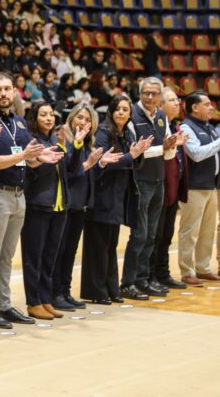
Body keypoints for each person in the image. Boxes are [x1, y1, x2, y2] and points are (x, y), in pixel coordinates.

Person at [0, 72, 61, 329]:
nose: (3, 93)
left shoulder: (20, 123)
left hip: (19, 195)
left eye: (7, 89)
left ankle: (5, 304)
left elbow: (26, 157)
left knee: (8, 255)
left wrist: (38, 158)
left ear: (14, 92)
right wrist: (23, 155)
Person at [81, 96, 152, 304]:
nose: (122, 112)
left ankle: (111, 289)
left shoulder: (124, 134)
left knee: (110, 246)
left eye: (125, 109)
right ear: (111, 111)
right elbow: (107, 161)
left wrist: (137, 155)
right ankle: (96, 291)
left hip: (117, 196)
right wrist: (132, 155)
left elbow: (131, 162)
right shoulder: (103, 132)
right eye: (118, 109)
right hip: (102, 196)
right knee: (98, 246)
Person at [52, 104, 120, 311]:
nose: (82, 122)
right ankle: (55, 293)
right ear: (72, 118)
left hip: (80, 204)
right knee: (60, 251)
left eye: (88, 120)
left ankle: (65, 290)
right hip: (65, 203)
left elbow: (88, 176)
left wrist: (99, 165)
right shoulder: (63, 139)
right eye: (79, 117)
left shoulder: (88, 143)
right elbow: (68, 173)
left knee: (71, 252)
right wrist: (90, 163)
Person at [20, 102, 83, 320]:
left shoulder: (56, 140)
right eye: (43, 114)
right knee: (33, 257)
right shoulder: (32, 142)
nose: (48, 118)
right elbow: (32, 174)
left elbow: (73, 170)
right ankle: (33, 302)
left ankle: (46, 299)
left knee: (50, 256)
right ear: (34, 117)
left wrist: (76, 144)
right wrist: (42, 157)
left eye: (51, 115)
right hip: (38, 205)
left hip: (60, 206)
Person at [120, 77, 179, 299]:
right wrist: (162, 147)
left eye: (154, 93)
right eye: (146, 93)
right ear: (139, 93)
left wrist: (171, 146)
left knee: (152, 234)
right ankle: (128, 282)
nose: (150, 97)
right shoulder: (132, 115)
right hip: (140, 181)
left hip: (158, 180)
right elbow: (137, 152)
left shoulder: (162, 116)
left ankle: (143, 279)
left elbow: (166, 153)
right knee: (139, 234)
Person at [178, 91, 220, 285]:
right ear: (195, 107)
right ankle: (187, 272)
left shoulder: (209, 127)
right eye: (207, 104)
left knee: (207, 231)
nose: (211, 107)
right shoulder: (186, 127)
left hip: (211, 185)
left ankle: (203, 268)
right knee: (190, 230)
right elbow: (195, 154)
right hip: (194, 186)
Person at [150, 88, 188, 290]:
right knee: (156, 235)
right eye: (172, 100)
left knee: (167, 234)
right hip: (159, 187)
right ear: (160, 105)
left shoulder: (174, 125)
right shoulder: (157, 126)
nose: (177, 103)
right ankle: (151, 275)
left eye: (177, 99)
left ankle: (163, 273)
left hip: (173, 187)